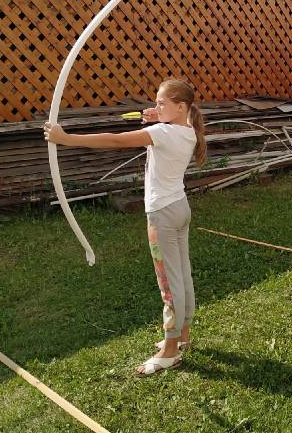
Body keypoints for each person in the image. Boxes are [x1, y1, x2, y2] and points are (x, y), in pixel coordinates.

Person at [44, 79, 206, 377]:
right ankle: (182, 336)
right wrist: (160, 115)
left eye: (161, 103)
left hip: (162, 214)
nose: (155, 107)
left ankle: (170, 351)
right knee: (182, 275)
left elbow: (117, 140)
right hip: (180, 208)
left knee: (169, 284)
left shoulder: (162, 133)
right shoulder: (188, 130)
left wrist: (66, 138)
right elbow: (170, 124)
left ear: (180, 107)